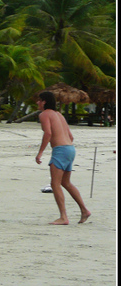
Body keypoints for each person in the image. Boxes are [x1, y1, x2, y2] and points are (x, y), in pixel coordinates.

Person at [35, 91, 91, 225]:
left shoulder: (44, 114)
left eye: (39, 100)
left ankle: (63, 217)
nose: (37, 102)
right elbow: (70, 136)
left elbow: (48, 133)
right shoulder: (58, 115)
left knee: (55, 184)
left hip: (60, 150)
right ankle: (84, 210)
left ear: (45, 102)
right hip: (70, 149)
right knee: (65, 182)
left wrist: (40, 152)